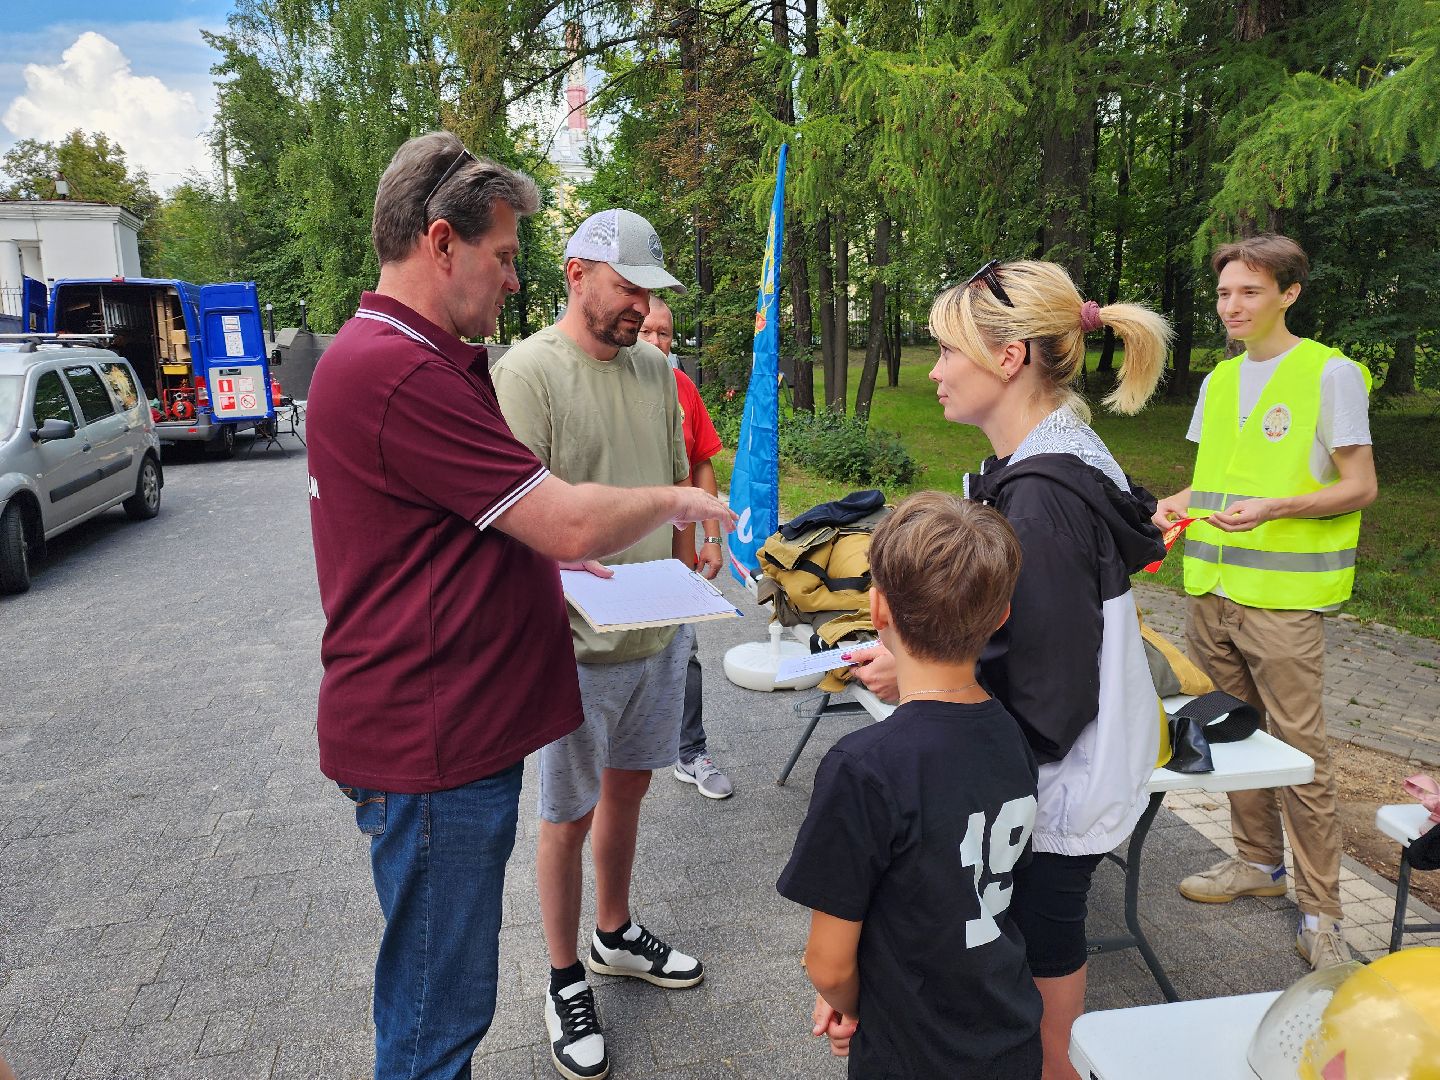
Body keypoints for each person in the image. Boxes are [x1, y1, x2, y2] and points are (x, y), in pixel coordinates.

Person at [306, 136, 733, 1080]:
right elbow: (564, 521)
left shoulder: (411, 357)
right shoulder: (400, 372)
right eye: (502, 257)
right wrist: (679, 502)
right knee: (435, 1022)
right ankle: (563, 973)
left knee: (436, 1006)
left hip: (445, 739)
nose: (510, 281)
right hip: (430, 748)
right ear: (442, 242)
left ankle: (608, 936)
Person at [849, 260, 1169, 1080]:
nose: (935, 372)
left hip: (1062, 782)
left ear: (1010, 356)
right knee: (1044, 930)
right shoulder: (1053, 459)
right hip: (1071, 770)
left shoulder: (1043, 499)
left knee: (1043, 934)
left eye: (949, 352)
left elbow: (1049, 690)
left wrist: (924, 690)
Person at [492, 209, 706, 1080]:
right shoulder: (529, 372)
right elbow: (513, 521)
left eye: (650, 292)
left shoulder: (657, 371)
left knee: (630, 792)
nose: (642, 306)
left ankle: (613, 933)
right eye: (629, 287)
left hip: (657, 629)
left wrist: (692, 555)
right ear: (578, 274)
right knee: (565, 816)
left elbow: (673, 480)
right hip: (575, 644)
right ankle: (561, 976)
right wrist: (567, 579)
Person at [1153, 234, 1376, 971]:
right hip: (1210, 592)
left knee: (1300, 756)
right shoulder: (1218, 382)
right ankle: (1255, 863)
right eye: (1224, 293)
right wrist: (1161, 509)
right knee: (1228, 736)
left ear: (1289, 293)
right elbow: (1209, 483)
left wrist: (1277, 507)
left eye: (1250, 291)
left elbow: (1359, 487)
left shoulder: (1330, 374)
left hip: (1282, 601)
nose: (1233, 306)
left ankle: (1323, 912)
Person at [778, 491, 1042, 1078]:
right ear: (1001, 615)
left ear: (877, 609)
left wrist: (849, 1005)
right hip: (1008, 1034)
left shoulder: (864, 766)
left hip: (910, 1050)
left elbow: (828, 965)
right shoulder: (1009, 732)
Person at [638, 295, 733, 800]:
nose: (657, 342)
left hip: (678, 554)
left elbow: (702, 464)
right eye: (647, 331)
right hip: (624, 557)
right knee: (617, 658)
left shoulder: (683, 389)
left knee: (685, 653)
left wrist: (711, 536)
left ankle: (690, 752)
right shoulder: (615, 387)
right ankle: (613, 762)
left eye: (666, 333)